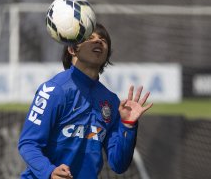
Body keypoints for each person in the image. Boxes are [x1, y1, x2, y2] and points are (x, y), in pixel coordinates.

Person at [18, 23, 153, 179]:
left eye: (103, 39)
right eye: (90, 38)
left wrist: (128, 126)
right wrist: (49, 171)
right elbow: (28, 144)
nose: (98, 41)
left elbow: (119, 164)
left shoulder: (111, 101)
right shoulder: (54, 90)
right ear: (72, 49)